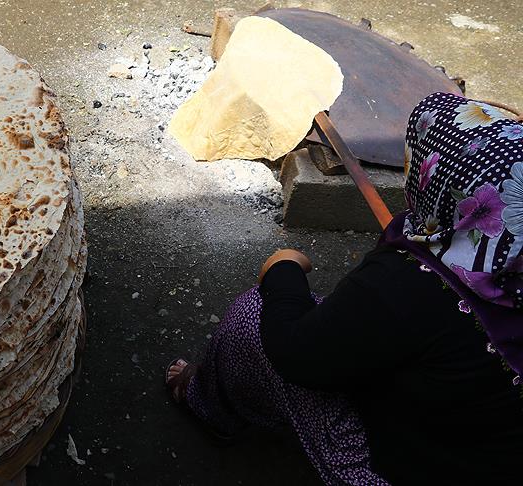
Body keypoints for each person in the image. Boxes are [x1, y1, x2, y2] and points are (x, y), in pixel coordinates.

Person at [166, 92, 523, 485]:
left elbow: (298, 352)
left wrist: (282, 269)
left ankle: (206, 404)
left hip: (416, 469)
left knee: (253, 318)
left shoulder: (411, 282)